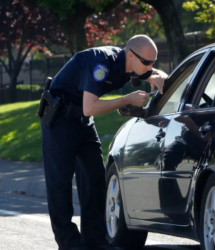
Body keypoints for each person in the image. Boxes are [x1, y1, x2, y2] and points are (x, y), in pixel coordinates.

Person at [40, 35, 168, 250]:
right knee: (60, 185)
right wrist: (128, 99)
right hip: (59, 121)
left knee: (94, 180)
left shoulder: (134, 63)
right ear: (130, 55)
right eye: (146, 62)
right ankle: (69, 244)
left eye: (153, 61)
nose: (149, 66)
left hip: (82, 123)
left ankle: (95, 242)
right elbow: (90, 106)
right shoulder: (101, 62)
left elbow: (156, 73)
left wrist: (159, 76)